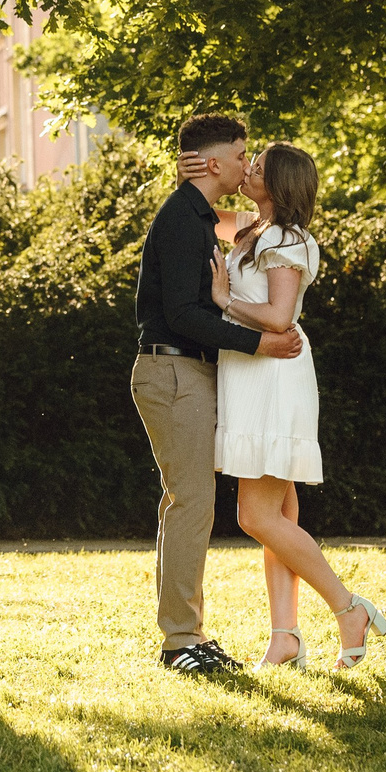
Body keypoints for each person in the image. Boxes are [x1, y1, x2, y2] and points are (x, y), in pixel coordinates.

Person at [197, 141, 386, 670]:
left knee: (255, 515)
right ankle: (285, 637)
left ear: (279, 185)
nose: (248, 168)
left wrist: (223, 302)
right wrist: (202, 169)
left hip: (274, 378)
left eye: (256, 166)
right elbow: (198, 211)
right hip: (253, 376)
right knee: (279, 514)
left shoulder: (284, 237)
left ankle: (348, 608)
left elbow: (280, 315)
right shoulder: (252, 229)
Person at [132, 114, 300, 674]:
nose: (246, 163)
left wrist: (197, 175)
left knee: (188, 504)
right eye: (239, 153)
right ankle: (181, 642)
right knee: (192, 504)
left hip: (187, 375)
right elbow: (183, 313)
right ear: (213, 161)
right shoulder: (184, 218)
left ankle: (187, 636)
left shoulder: (197, 214)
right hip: (174, 373)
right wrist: (258, 344)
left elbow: (255, 224)